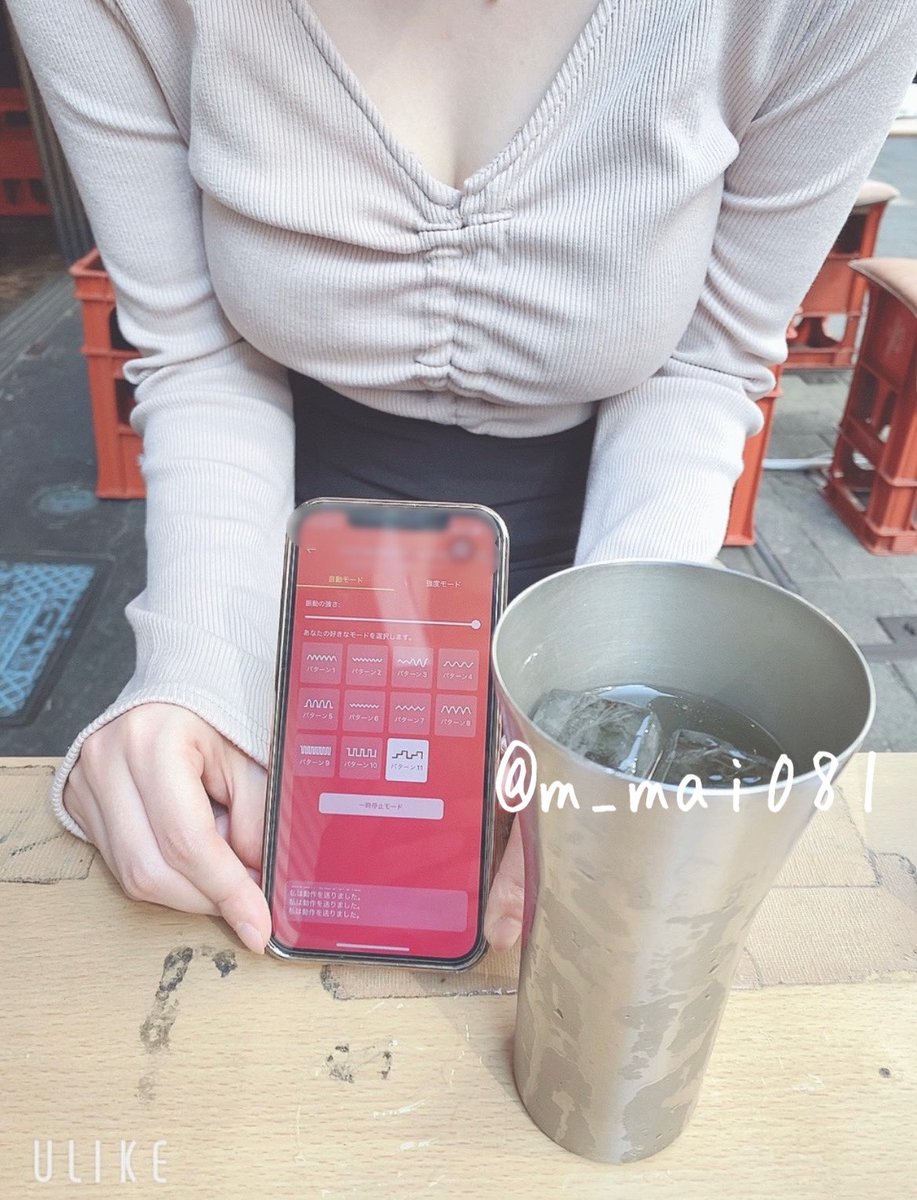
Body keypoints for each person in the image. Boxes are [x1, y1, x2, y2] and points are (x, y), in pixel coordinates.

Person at [8, 0, 916, 957]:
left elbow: (705, 363)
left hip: (600, 557)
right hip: (278, 558)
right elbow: (196, 352)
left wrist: (605, 708)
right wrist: (196, 668)